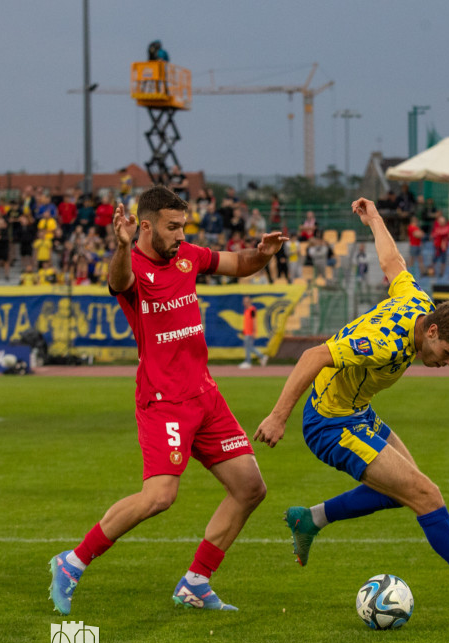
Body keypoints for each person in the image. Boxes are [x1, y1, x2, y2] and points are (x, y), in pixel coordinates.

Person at [253, 197, 449, 616]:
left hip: (356, 412)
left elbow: (393, 263)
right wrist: (278, 417)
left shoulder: (419, 303)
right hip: (331, 425)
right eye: (447, 352)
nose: (447, 363)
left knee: (405, 489)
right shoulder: (384, 343)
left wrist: (375, 219)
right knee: (425, 493)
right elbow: (313, 356)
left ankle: (309, 519)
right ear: (433, 330)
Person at [48, 186, 288, 615]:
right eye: (173, 227)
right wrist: (121, 248)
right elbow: (117, 282)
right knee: (159, 496)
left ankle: (196, 582)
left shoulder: (188, 256)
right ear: (145, 226)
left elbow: (240, 264)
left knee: (250, 488)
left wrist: (263, 253)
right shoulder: (132, 267)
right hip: (164, 400)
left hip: (204, 395)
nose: (181, 235)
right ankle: (72, 562)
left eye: (183, 226)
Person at [240, 295, 269, 369]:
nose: (244, 303)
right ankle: (261, 357)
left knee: (248, 347)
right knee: (249, 347)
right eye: (244, 301)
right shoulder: (246, 310)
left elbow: (254, 321)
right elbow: (247, 321)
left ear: (249, 302)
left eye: (246, 301)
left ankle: (249, 361)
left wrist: (254, 331)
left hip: (250, 332)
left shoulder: (252, 310)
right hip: (246, 332)